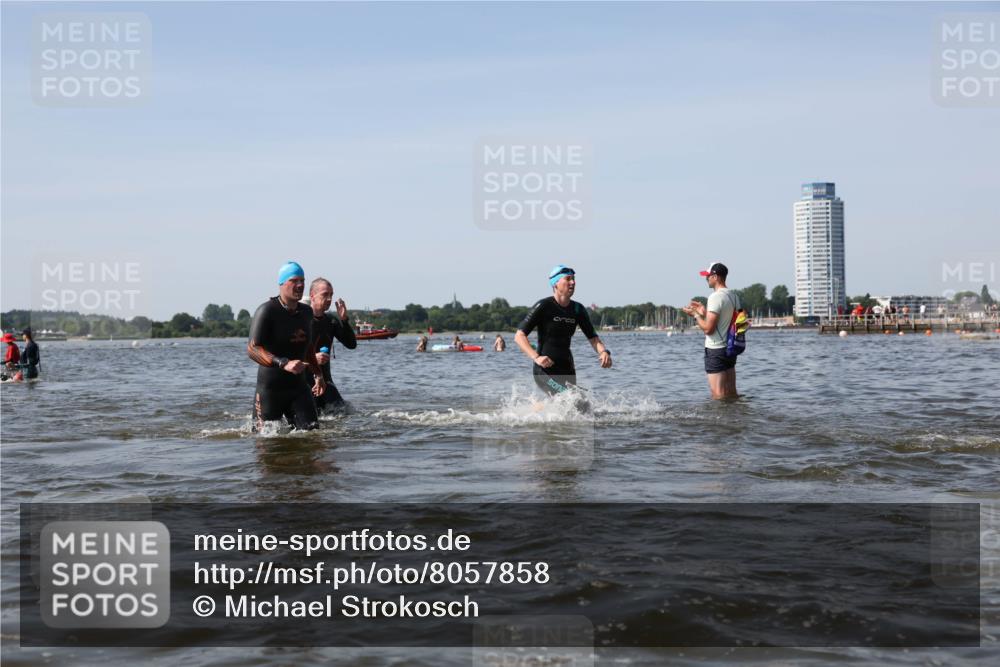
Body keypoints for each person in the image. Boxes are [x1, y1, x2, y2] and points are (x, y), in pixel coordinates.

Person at [247, 261, 325, 431]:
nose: (300, 285)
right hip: (270, 390)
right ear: (282, 283)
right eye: (294, 280)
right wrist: (283, 363)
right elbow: (252, 349)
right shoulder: (267, 311)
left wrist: (318, 374)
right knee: (265, 441)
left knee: (312, 437)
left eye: (302, 281)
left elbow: (308, 347)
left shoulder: (306, 312)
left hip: (298, 388)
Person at [515, 265, 611, 399]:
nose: (573, 282)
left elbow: (593, 338)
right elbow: (519, 336)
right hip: (544, 370)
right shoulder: (544, 306)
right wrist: (536, 357)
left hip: (567, 367)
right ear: (555, 284)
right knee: (570, 398)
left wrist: (603, 352)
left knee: (580, 405)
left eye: (574, 279)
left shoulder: (578, 309)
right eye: (568, 279)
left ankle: (533, 410)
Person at [682, 262, 740, 399]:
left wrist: (695, 315)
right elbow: (726, 321)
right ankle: (735, 413)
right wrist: (704, 313)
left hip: (716, 350)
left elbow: (709, 329)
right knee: (731, 392)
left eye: (708, 276)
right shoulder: (734, 296)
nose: (706, 279)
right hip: (730, 348)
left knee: (718, 394)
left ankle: (719, 414)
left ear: (716, 277)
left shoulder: (715, 297)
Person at [306, 277, 357, 413]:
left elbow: (351, 344)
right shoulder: (302, 319)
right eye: (325, 294)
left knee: (346, 414)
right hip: (304, 383)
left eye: (331, 295)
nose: (329, 299)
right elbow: (288, 353)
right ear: (312, 295)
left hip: (326, 381)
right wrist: (312, 359)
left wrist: (344, 320)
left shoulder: (331, 321)